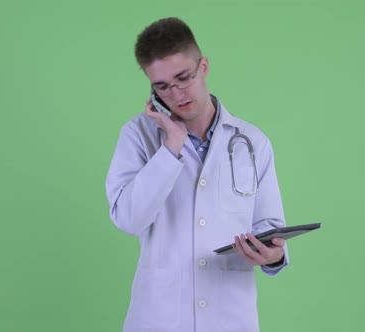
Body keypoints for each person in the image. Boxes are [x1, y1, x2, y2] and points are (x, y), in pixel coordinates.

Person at [105, 17, 290, 332]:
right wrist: (170, 149)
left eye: (183, 77)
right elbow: (128, 218)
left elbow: (270, 227)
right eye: (162, 86)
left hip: (230, 318)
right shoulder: (138, 135)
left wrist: (273, 256)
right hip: (159, 319)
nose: (176, 94)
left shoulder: (253, 141)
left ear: (203, 66)